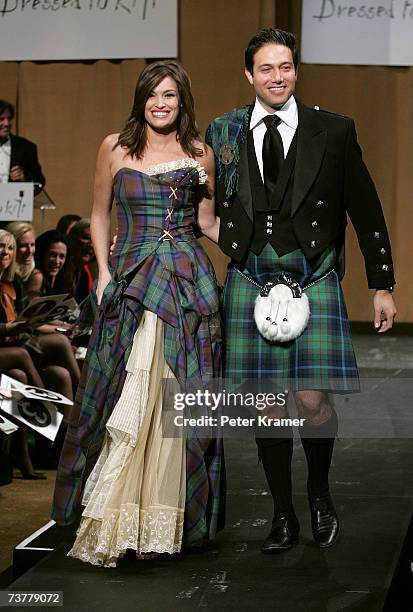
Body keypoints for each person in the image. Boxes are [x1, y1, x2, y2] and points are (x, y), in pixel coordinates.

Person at [206, 28, 396, 553]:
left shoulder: (332, 130)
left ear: (297, 70)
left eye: (285, 67)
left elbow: (367, 209)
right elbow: (205, 199)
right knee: (269, 407)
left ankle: (318, 492)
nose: (277, 77)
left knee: (311, 401)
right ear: (249, 75)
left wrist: (382, 283)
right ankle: (283, 514)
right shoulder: (222, 131)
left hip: (313, 276)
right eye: (266, 69)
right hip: (249, 278)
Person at [51, 60, 224, 567]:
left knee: (173, 397)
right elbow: (100, 213)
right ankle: (116, 514)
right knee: (124, 393)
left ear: (182, 100)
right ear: (141, 98)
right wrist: (103, 272)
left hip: (187, 282)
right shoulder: (115, 146)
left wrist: (260, 252)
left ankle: (160, 520)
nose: (161, 103)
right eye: (152, 94)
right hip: (131, 279)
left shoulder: (200, 154)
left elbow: (208, 222)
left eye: (170, 94)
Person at [0, 100, 45, 195]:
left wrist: (25, 177)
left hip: (13, 207)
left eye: (9, 118)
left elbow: (39, 182)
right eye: (1, 119)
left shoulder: (26, 147)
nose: (7, 123)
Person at [67, 219, 95, 303]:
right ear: (72, 238)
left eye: (95, 241)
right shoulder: (58, 268)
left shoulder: (83, 274)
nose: (91, 245)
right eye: (87, 238)